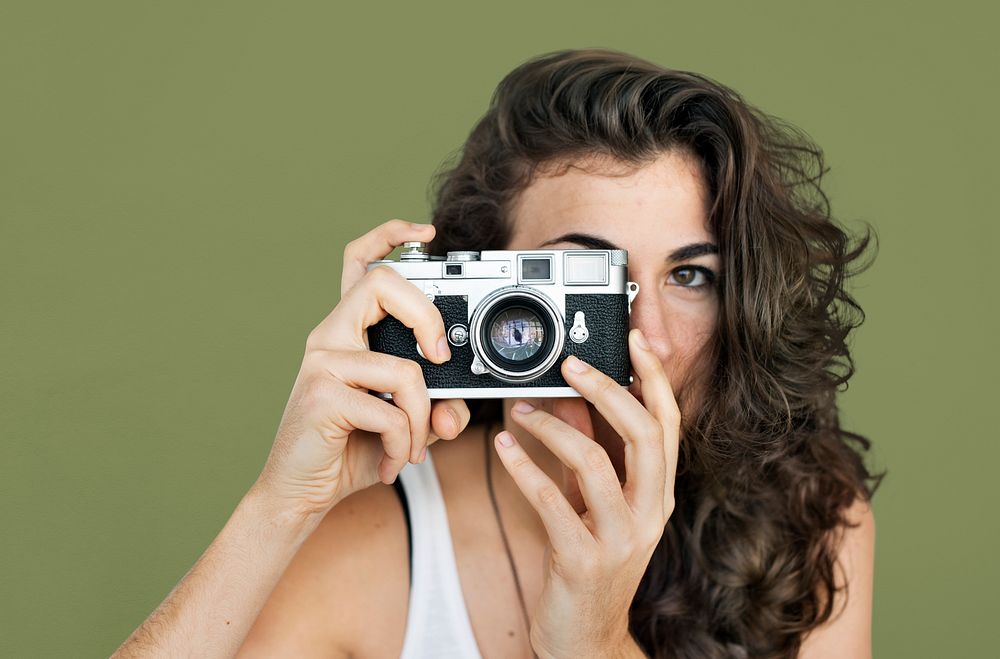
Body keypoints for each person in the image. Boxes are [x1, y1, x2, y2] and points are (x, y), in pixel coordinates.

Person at [112, 48, 883, 659]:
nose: (643, 331)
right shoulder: (375, 543)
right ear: (480, 290)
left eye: (690, 275)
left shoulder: (813, 519)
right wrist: (280, 504)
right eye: (587, 278)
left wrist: (595, 643)